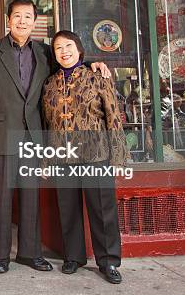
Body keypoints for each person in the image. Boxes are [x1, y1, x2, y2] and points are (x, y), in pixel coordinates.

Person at [0, 0, 110, 274]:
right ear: (8, 19)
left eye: (28, 17)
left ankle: (29, 253)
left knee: (30, 196)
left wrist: (93, 64)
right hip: (0, 132)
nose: (22, 21)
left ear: (35, 22)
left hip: (34, 135)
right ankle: (1, 256)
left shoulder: (45, 52)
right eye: (17, 16)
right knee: (1, 197)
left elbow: (68, 62)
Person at [41, 30, 129, 284]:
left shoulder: (97, 78)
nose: (64, 51)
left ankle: (109, 261)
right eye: (58, 48)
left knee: (103, 210)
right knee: (67, 209)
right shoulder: (49, 85)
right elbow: (48, 126)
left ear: (79, 50)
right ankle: (73, 257)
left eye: (68, 46)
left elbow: (113, 119)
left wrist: (119, 157)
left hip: (96, 154)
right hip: (62, 156)